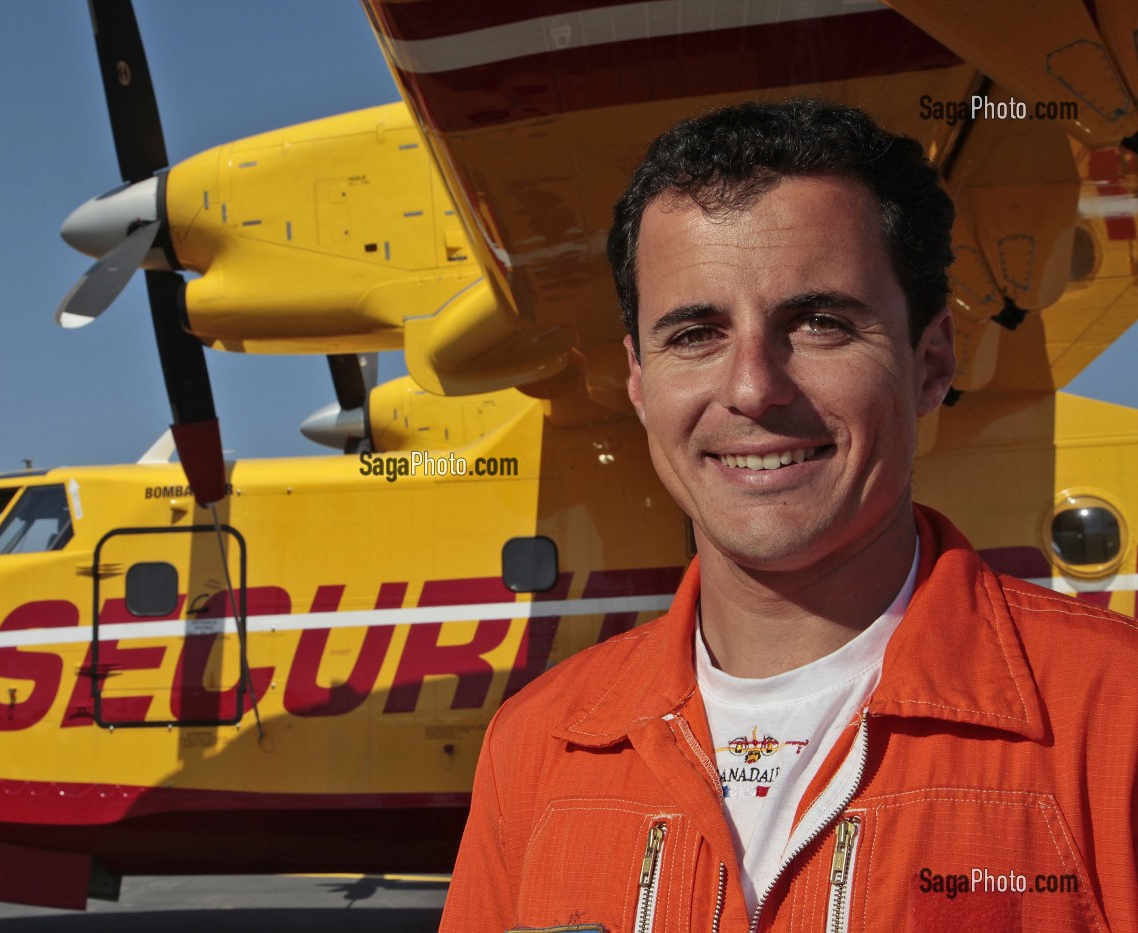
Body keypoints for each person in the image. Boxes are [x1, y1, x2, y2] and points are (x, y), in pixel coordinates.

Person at [438, 100, 1136, 932]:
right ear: (637, 380)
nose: (752, 387)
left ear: (932, 363)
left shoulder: (1116, 724)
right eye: (695, 333)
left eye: (820, 323)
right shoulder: (535, 749)